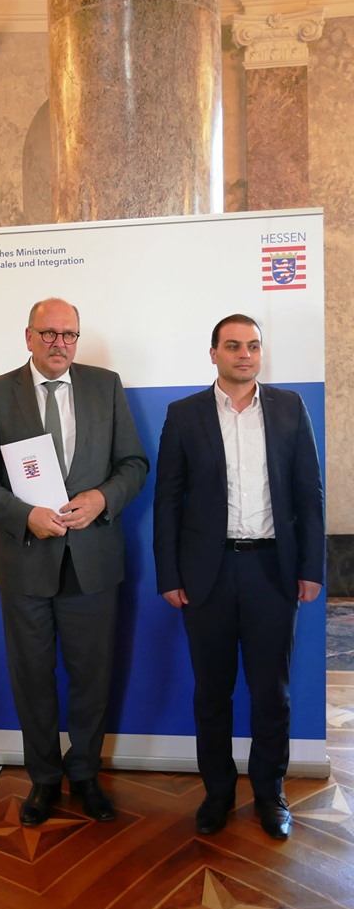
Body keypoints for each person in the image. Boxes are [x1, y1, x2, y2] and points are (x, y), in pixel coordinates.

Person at [0, 297, 148, 825]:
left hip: (93, 560)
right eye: (48, 333)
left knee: (93, 675)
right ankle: (43, 779)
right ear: (28, 337)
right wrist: (25, 516)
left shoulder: (106, 386)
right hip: (26, 561)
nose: (59, 343)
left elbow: (134, 463)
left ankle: (85, 773)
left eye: (69, 334)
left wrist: (102, 498)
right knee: (32, 677)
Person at [153, 314, 325, 841]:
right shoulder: (184, 415)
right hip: (207, 574)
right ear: (214, 354)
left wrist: (311, 567)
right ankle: (218, 793)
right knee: (212, 692)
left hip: (273, 571)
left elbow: (309, 495)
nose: (245, 354)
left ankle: (270, 793)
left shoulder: (290, 408)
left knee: (272, 694)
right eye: (233, 346)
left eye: (253, 346)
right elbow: (167, 501)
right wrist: (169, 573)